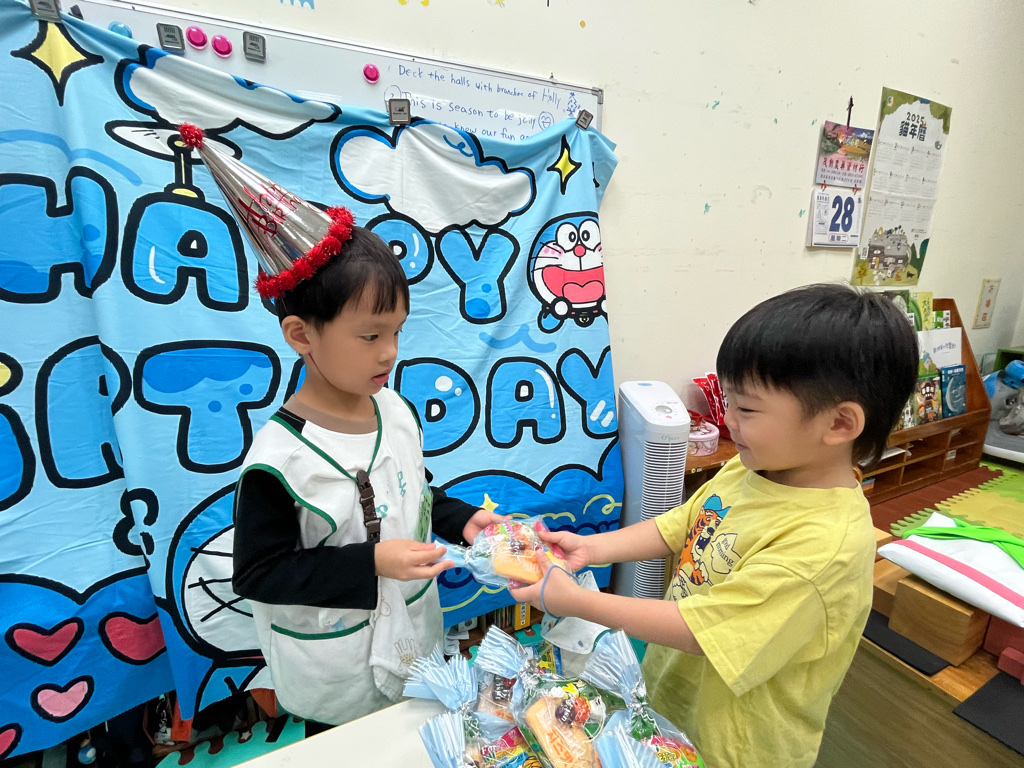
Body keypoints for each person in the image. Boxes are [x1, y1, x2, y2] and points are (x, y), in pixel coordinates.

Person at [171, 124, 503, 730]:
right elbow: (260, 573)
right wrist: (370, 561)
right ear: (301, 335)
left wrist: (460, 519)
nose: (390, 352)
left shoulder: (393, 410)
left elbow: (412, 492)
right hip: (336, 666)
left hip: (416, 639)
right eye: (371, 336)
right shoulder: (279, 461)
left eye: (397, 331)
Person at [511, 283, 918, 768]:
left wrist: (581, 602)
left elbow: (701, 631)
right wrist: (592, 549)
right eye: (728, 400)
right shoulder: (752, 468)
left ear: (839, 424)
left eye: (746, 408)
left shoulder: (823, 547)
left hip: (737, 745)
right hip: (675, 700)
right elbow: (678, 526)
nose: (728, 420)